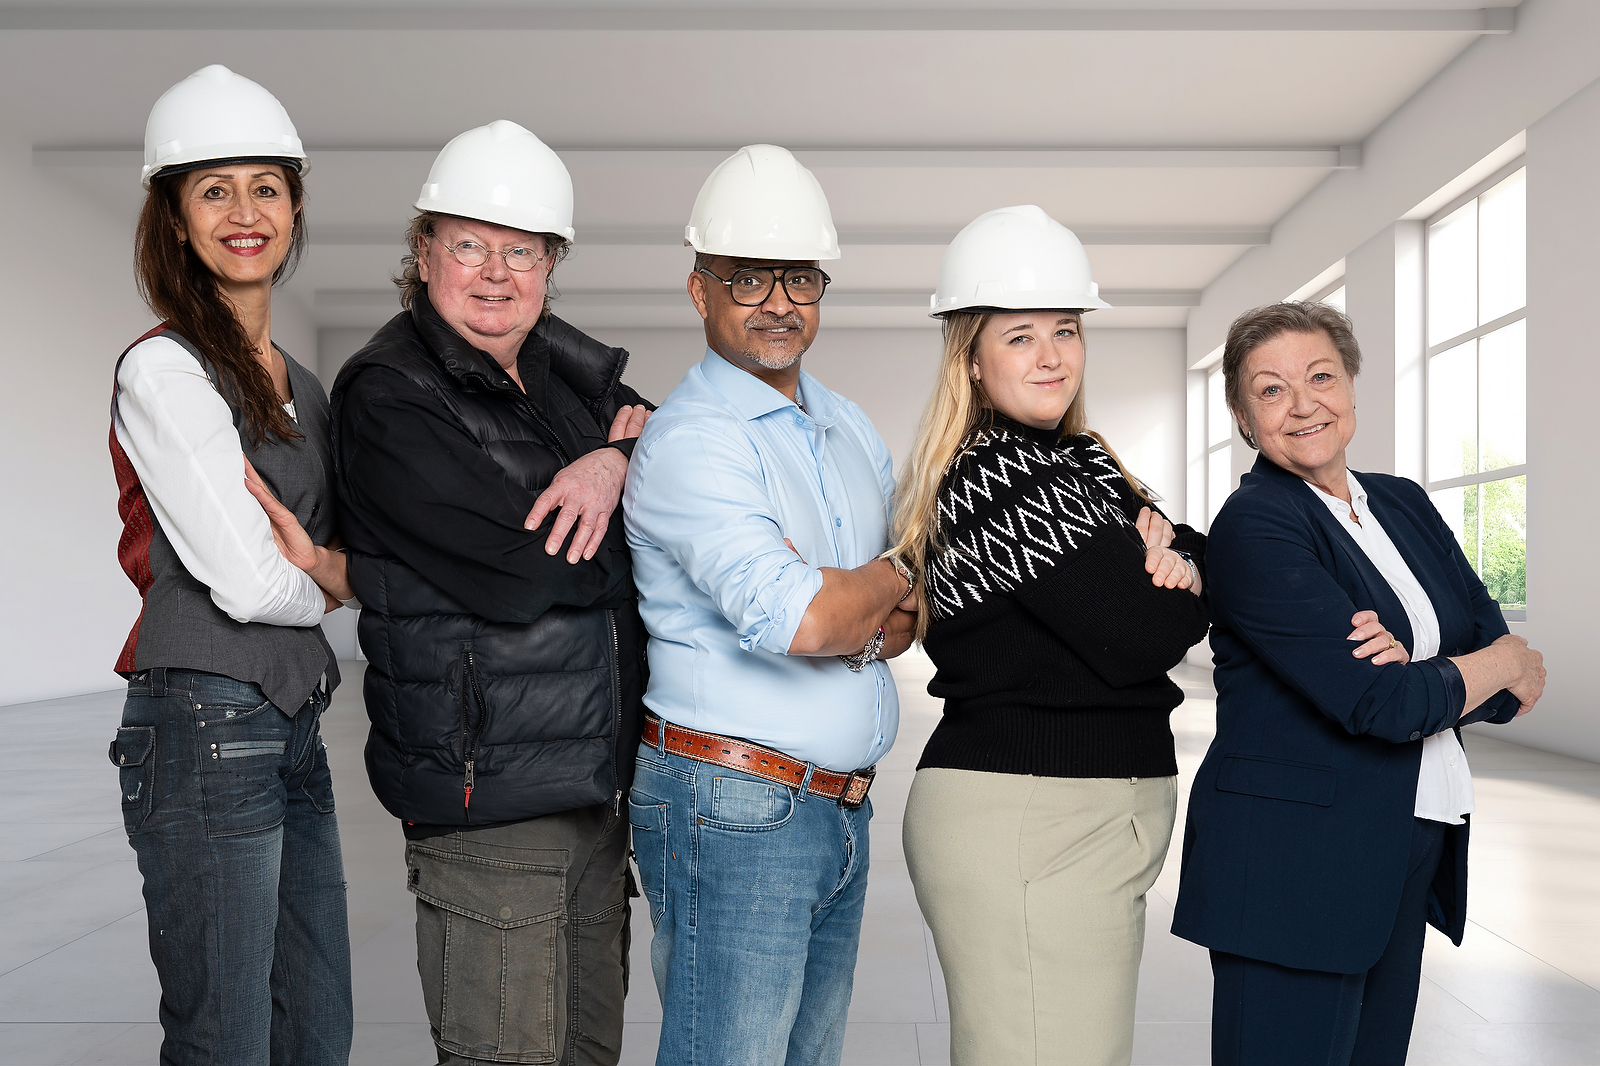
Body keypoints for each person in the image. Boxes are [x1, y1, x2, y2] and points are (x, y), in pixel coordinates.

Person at [327, 121, 652, 1066]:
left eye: (523, 251)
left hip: (594, 790)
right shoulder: (391, 392)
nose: (496, 273)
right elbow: (520, 574)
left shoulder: (559, 379)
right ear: (423, 250)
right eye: (470, 244)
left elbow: (671, 466)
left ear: (552, 265)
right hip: (492, 803)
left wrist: (612, 459)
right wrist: (621, 493)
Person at [1171, 301, 1547, 1066]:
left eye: (1321, 377)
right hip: (1293, 864)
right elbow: (1386, 702)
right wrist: (1483, 665)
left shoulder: (1401, 501)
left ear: (1352, 390)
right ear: (1245, 418)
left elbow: (1513, 681)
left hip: (1407, 836)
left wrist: (1449, 667)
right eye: (1272, 390)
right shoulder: (1256, 526)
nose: (1304, 403)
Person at [888, 205, 1210, 1066]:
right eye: (1020, 336)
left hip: (1085, 809)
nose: (1051, 355)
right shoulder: (1000, 474)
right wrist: (1172, 573)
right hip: (1031, 812)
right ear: (972, 356)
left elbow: (1204, 559)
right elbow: (1143, 632)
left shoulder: (1083, 465)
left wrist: (1184, 563)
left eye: (1065, 331)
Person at [622, 144, 915, 1066]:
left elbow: (904, 618)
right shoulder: (695, 441)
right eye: (748, 279)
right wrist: (869, 587)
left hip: (836, 810)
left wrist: (861, 593)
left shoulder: (846, 423)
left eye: (798, 278)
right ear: (699, 290)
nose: (778, 302)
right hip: (733, 807)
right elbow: (806, 622)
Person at [107, 65, 354, 1065]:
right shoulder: (162, 370)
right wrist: (339, 579)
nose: (245, 212)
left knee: (316, 1023)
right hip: (203, 718)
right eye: (214, 189)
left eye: (266, 186)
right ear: (172, 216)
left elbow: (342, 550)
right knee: (227, 1038)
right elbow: (249, 580)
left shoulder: (301, 382)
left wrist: (338, 568)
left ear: (295, 205)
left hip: (291, 718)